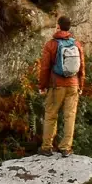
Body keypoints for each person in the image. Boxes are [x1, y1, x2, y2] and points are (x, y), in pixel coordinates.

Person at [36, 15, 84, 155]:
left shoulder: (51, 44)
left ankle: (46, 147)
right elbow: (82, 67)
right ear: (69, 27)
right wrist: (81, 84)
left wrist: (42, 86)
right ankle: (66, 148)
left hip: (57, 84)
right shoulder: (77, 44)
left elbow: (45, 68)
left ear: (58, 26)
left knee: (51, 114)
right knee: (70, 116)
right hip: (73, 84)